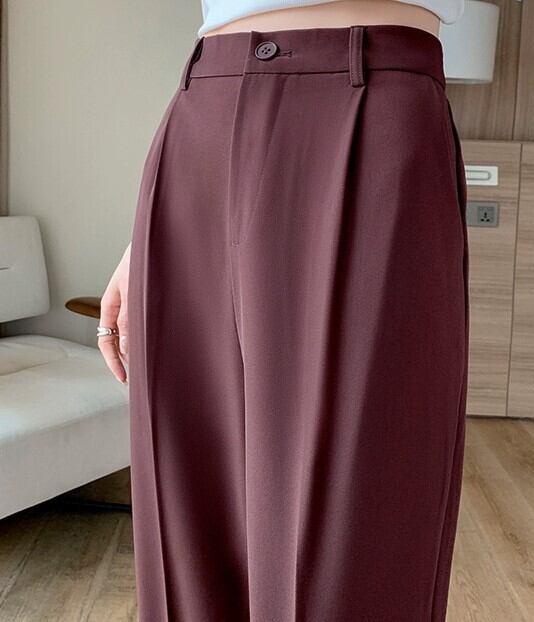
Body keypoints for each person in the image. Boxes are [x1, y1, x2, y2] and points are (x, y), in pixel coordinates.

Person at [98, 0, 469, 620]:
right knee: (185, 523)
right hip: (204, 108)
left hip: (371, 101)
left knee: (355, 531)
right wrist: (143, 240)